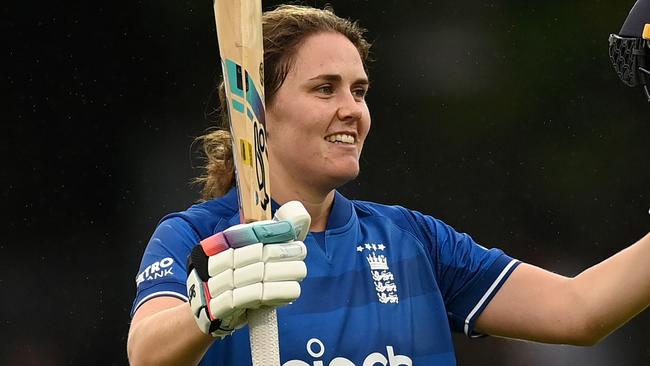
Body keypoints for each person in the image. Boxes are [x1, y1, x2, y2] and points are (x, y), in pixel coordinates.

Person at [127, 4, 650, 366]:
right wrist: (208, 315)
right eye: (324, 89)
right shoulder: (198, 238)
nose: (351, 109)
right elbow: (145, 352)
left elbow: (581, 311)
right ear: (258, 109)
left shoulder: (414, 241)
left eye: (360, 90)